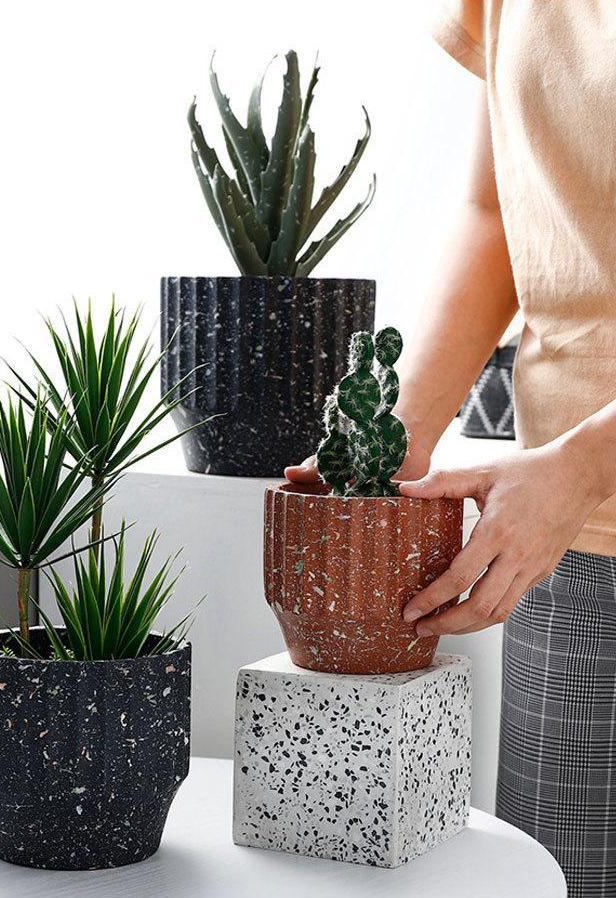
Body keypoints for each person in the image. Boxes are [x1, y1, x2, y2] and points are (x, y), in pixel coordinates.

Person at [285, 2, 616, 895]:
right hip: (573, 540)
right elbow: (495, 213)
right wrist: (394, 434)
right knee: (566, 877)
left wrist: (587, 463)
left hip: (577, 487)